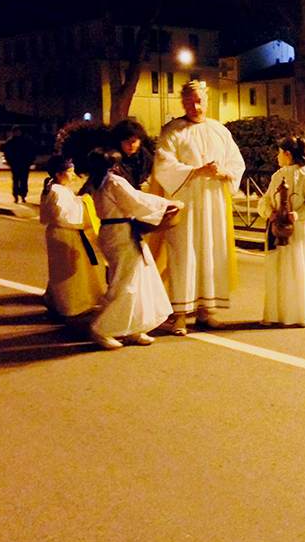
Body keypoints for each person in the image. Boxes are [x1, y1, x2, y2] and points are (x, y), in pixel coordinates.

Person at [151, 80, 245, 334]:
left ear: (207, 100)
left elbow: (236, 162)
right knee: (183, 255)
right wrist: (197, 171)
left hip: (214, 202)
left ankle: (206, 310)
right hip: (186, 203)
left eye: (199, 101)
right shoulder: (173, 131)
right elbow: (163, 165)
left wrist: (224, 173)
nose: (195, 106)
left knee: (212, 252)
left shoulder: (219, 130)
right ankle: (179, 314)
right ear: (182, 103)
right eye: (189, 102)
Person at [86, 148, 178, 350]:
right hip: (122, 233)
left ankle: (134, 326)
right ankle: (101, 328)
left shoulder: (96, 182)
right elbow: (136, 201)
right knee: (127, 282)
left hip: (113, 231)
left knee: (139, 278)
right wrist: (166, 204)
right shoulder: (113, 182)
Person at [257, 136, 305, 327]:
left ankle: (298, 314)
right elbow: (266, 200)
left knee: (296, 269)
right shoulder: (277, 175)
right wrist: (270, 213)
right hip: (276, 229)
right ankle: (277, 314)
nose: (277, 157)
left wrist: (297, 215)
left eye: (279, 153)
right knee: (277, 270)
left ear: (287, 154)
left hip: (297, 230)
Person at [39, 155, 106, 319]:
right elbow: (65, 215)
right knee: (68, 273)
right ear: (58, 174)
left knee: (63, 271)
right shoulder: (56, 191)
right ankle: (68, 306)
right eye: (70, 171)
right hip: (64, 233)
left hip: (64, 233)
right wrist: (84, 203)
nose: (73, 175)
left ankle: (55, 301)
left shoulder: (57, 189)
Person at [109, 119, 155, 189]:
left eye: (134, 141)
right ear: (119, 141)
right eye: (127, 141)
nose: (131, 145)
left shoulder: (143, 154)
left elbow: (153, 170)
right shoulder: (114, 158)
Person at [1, 127, 37, 203]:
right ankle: (16, 196)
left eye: (18, 131)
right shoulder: (10, 142)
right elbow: (7, 153)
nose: (17, 133)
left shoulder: (26, 141)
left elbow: (32, 151)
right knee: (15, 181)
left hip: (24, 164)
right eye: (15, 131)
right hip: (15, 165)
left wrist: (30, 161)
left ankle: (23, 195)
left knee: (24, 181)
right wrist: (10, 162)